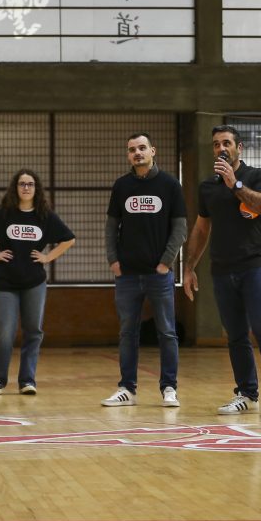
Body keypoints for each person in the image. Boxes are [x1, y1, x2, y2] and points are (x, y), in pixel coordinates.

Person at [183, 125, 261, 417]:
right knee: (236, 336)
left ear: (239, 147)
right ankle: (247, 393)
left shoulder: (256, 176)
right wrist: (189, 267)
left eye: (227, 143)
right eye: (216, 144)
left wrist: (236, 186)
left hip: (254, 266)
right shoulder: (207, 187)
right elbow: (202, 227)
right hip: (222, 269)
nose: (221, 148)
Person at [100, 133, 187, 408]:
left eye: (141, 148)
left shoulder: (170, 184)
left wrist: (166, 262)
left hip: (158, 275)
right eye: (131, 150)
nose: (137, 153)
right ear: (128, 155)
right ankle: (127, 388)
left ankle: (169, 388)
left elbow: (180, 228)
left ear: (153, 151)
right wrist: (114, 261)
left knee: (167, 332)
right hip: (126, 275)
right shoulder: (121, 186)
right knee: (127, 332)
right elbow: (111, 227)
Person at [0, 169, 75, 395]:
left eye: (30, 184)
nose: (26, 188)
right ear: (15, 188)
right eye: (21, 184)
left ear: (36, 189)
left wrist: (48, 257)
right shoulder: (3, 213)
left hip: (34, 283)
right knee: (4, 332)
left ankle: (27, 380)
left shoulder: (45, 216)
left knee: (33, 331)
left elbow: (69, 239)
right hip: (5, 282)